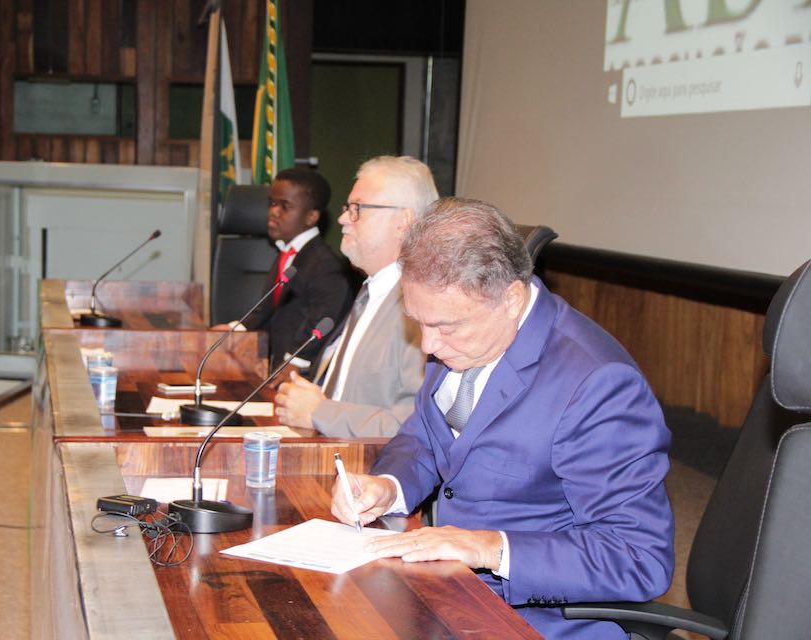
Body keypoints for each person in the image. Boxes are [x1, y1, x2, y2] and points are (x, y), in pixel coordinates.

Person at [330, 198, 674, 640]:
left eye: (445, 327)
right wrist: (388, 486)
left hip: (537, 621)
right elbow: (425, 437)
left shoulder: (597, 384)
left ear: (510, 299)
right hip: (450, 591)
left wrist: (487, 546)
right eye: (419, 322)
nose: (428, 346)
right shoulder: (465, 337)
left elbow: (638, 556)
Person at [274, 156, 438, 437]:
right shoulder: (370, 291)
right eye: (347, 208)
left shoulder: (422, 309)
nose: (342, 219)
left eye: (357, 209)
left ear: (404, 221)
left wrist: (319, 413)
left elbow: (417, 426)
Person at [217, 168, 352, 371]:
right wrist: (235, 328)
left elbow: (321, 322)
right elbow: (267, 308)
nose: (274, 211)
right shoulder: (287, 252)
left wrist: (294, 362)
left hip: (299, 372)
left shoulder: (325, 266)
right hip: (274, 364)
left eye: (285, 206)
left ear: (311, 217)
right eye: (272, 203)